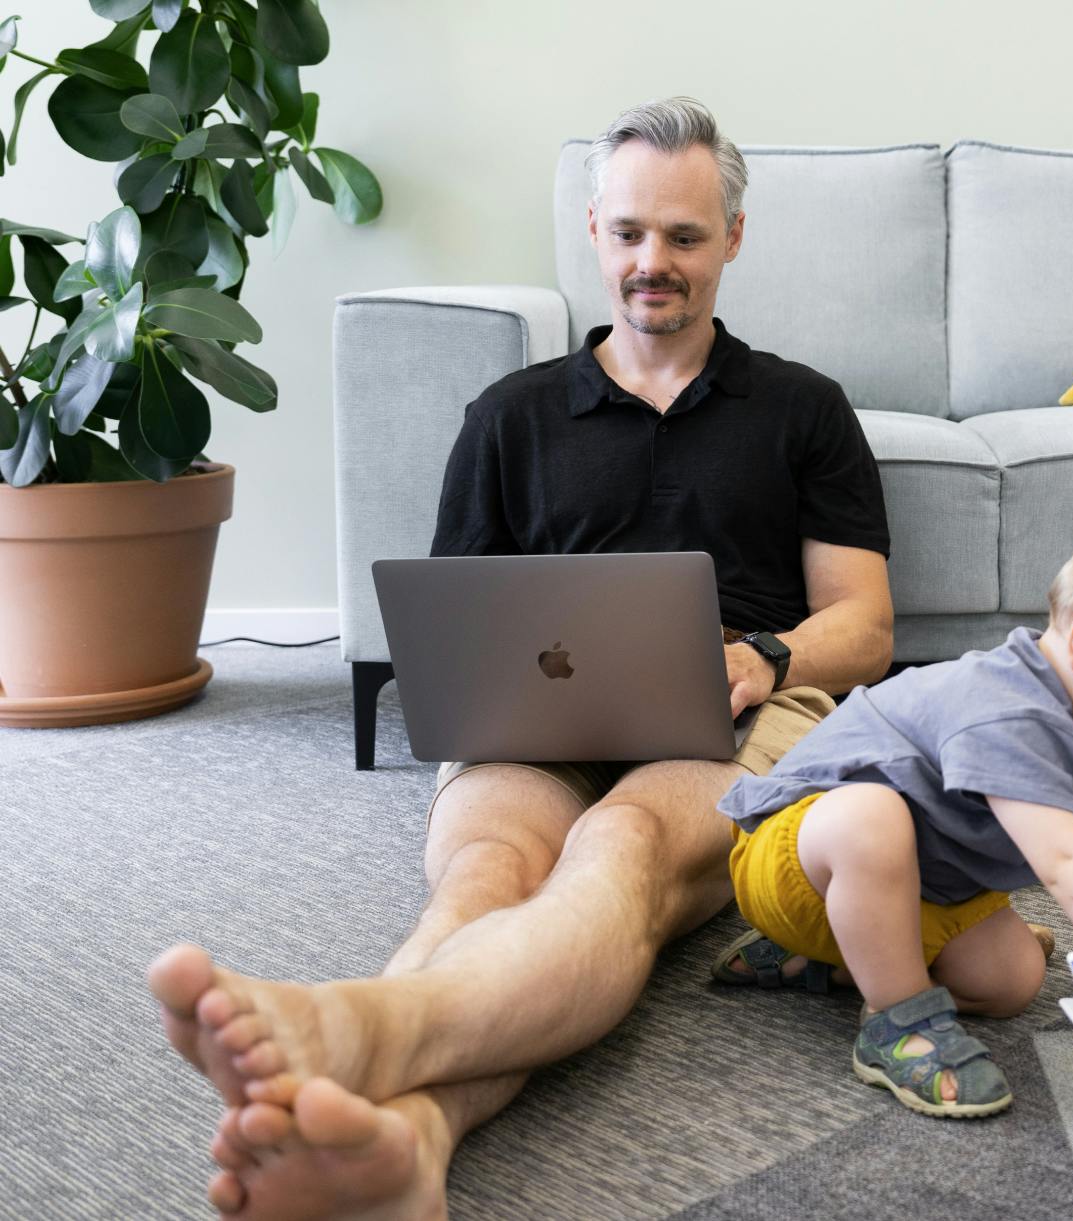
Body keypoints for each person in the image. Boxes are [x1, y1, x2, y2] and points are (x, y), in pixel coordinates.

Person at [144, 97, 895, 1216]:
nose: (655, 263)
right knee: (491, 874)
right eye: (632, 233)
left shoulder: (803, 408)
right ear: (594, 230)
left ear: (732, 238)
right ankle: (408, 1142)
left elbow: (866, 626)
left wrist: (766, 658)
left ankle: (357, 1032)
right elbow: (456, 615)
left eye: (685, 237)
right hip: (536, 717)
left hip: (730, 717)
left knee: (620, 852)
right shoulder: (509, 413)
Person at [717, 507, 1073, 1117]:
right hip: (798, 864)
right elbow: (1068, 865)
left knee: (1012, 982)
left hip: (921, 891)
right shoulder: (1007, 708)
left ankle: (821, 961)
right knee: (870, 816)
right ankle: (895, 1022)